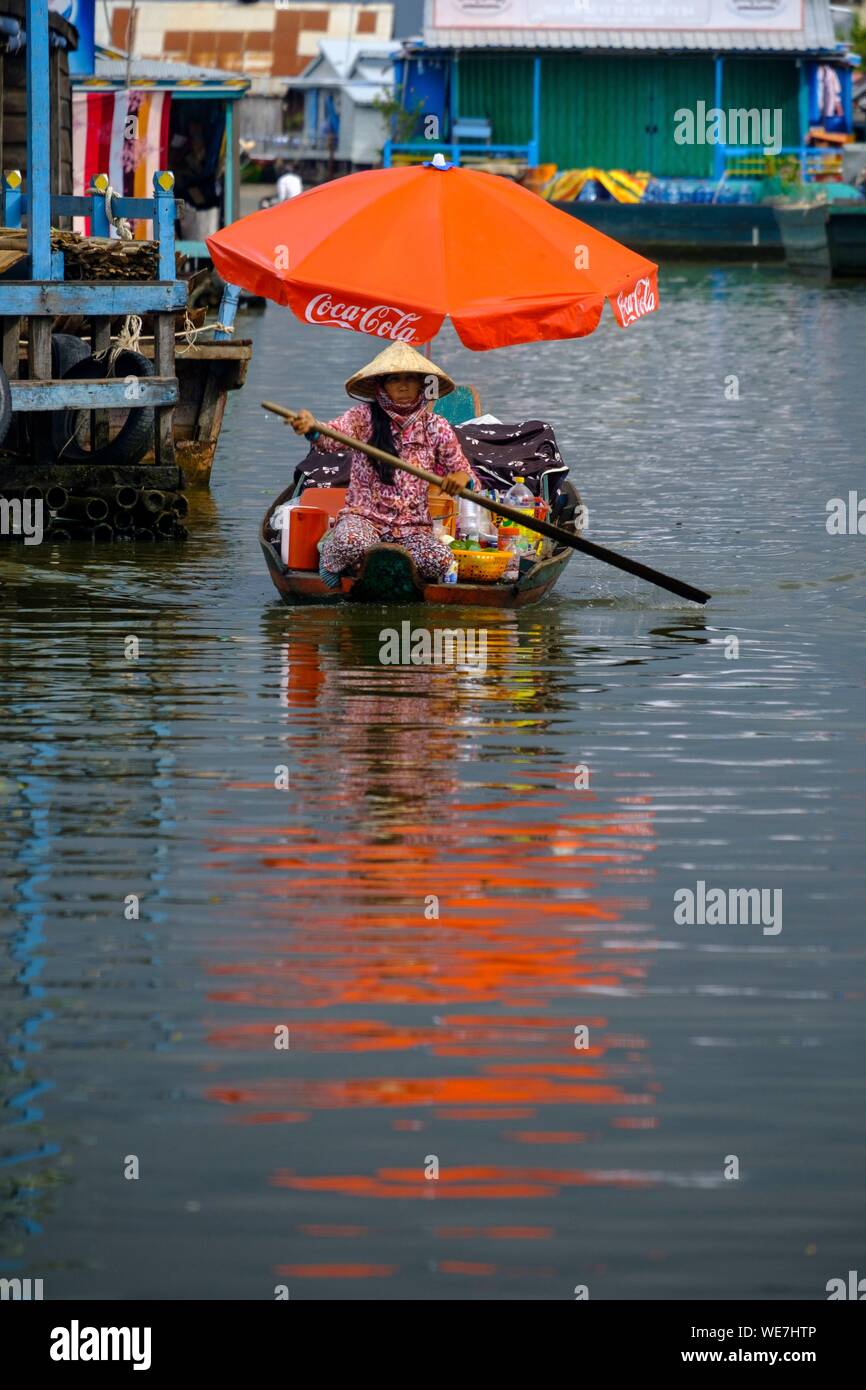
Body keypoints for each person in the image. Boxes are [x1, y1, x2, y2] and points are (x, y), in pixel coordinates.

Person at [290, 343, 477, 587]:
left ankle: (389, 574)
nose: (403, 386)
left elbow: (465, 473)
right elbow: (331, 438)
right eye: (394, 379)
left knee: (439, 560)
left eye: (410, 378)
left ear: (422, 384)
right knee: (350, 543)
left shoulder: (435, 426)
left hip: (413, 528)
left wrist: (462, 479)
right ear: (382, 386)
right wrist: (312, 428)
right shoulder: (363, 417)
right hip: (365, 520)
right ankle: (332, 554)